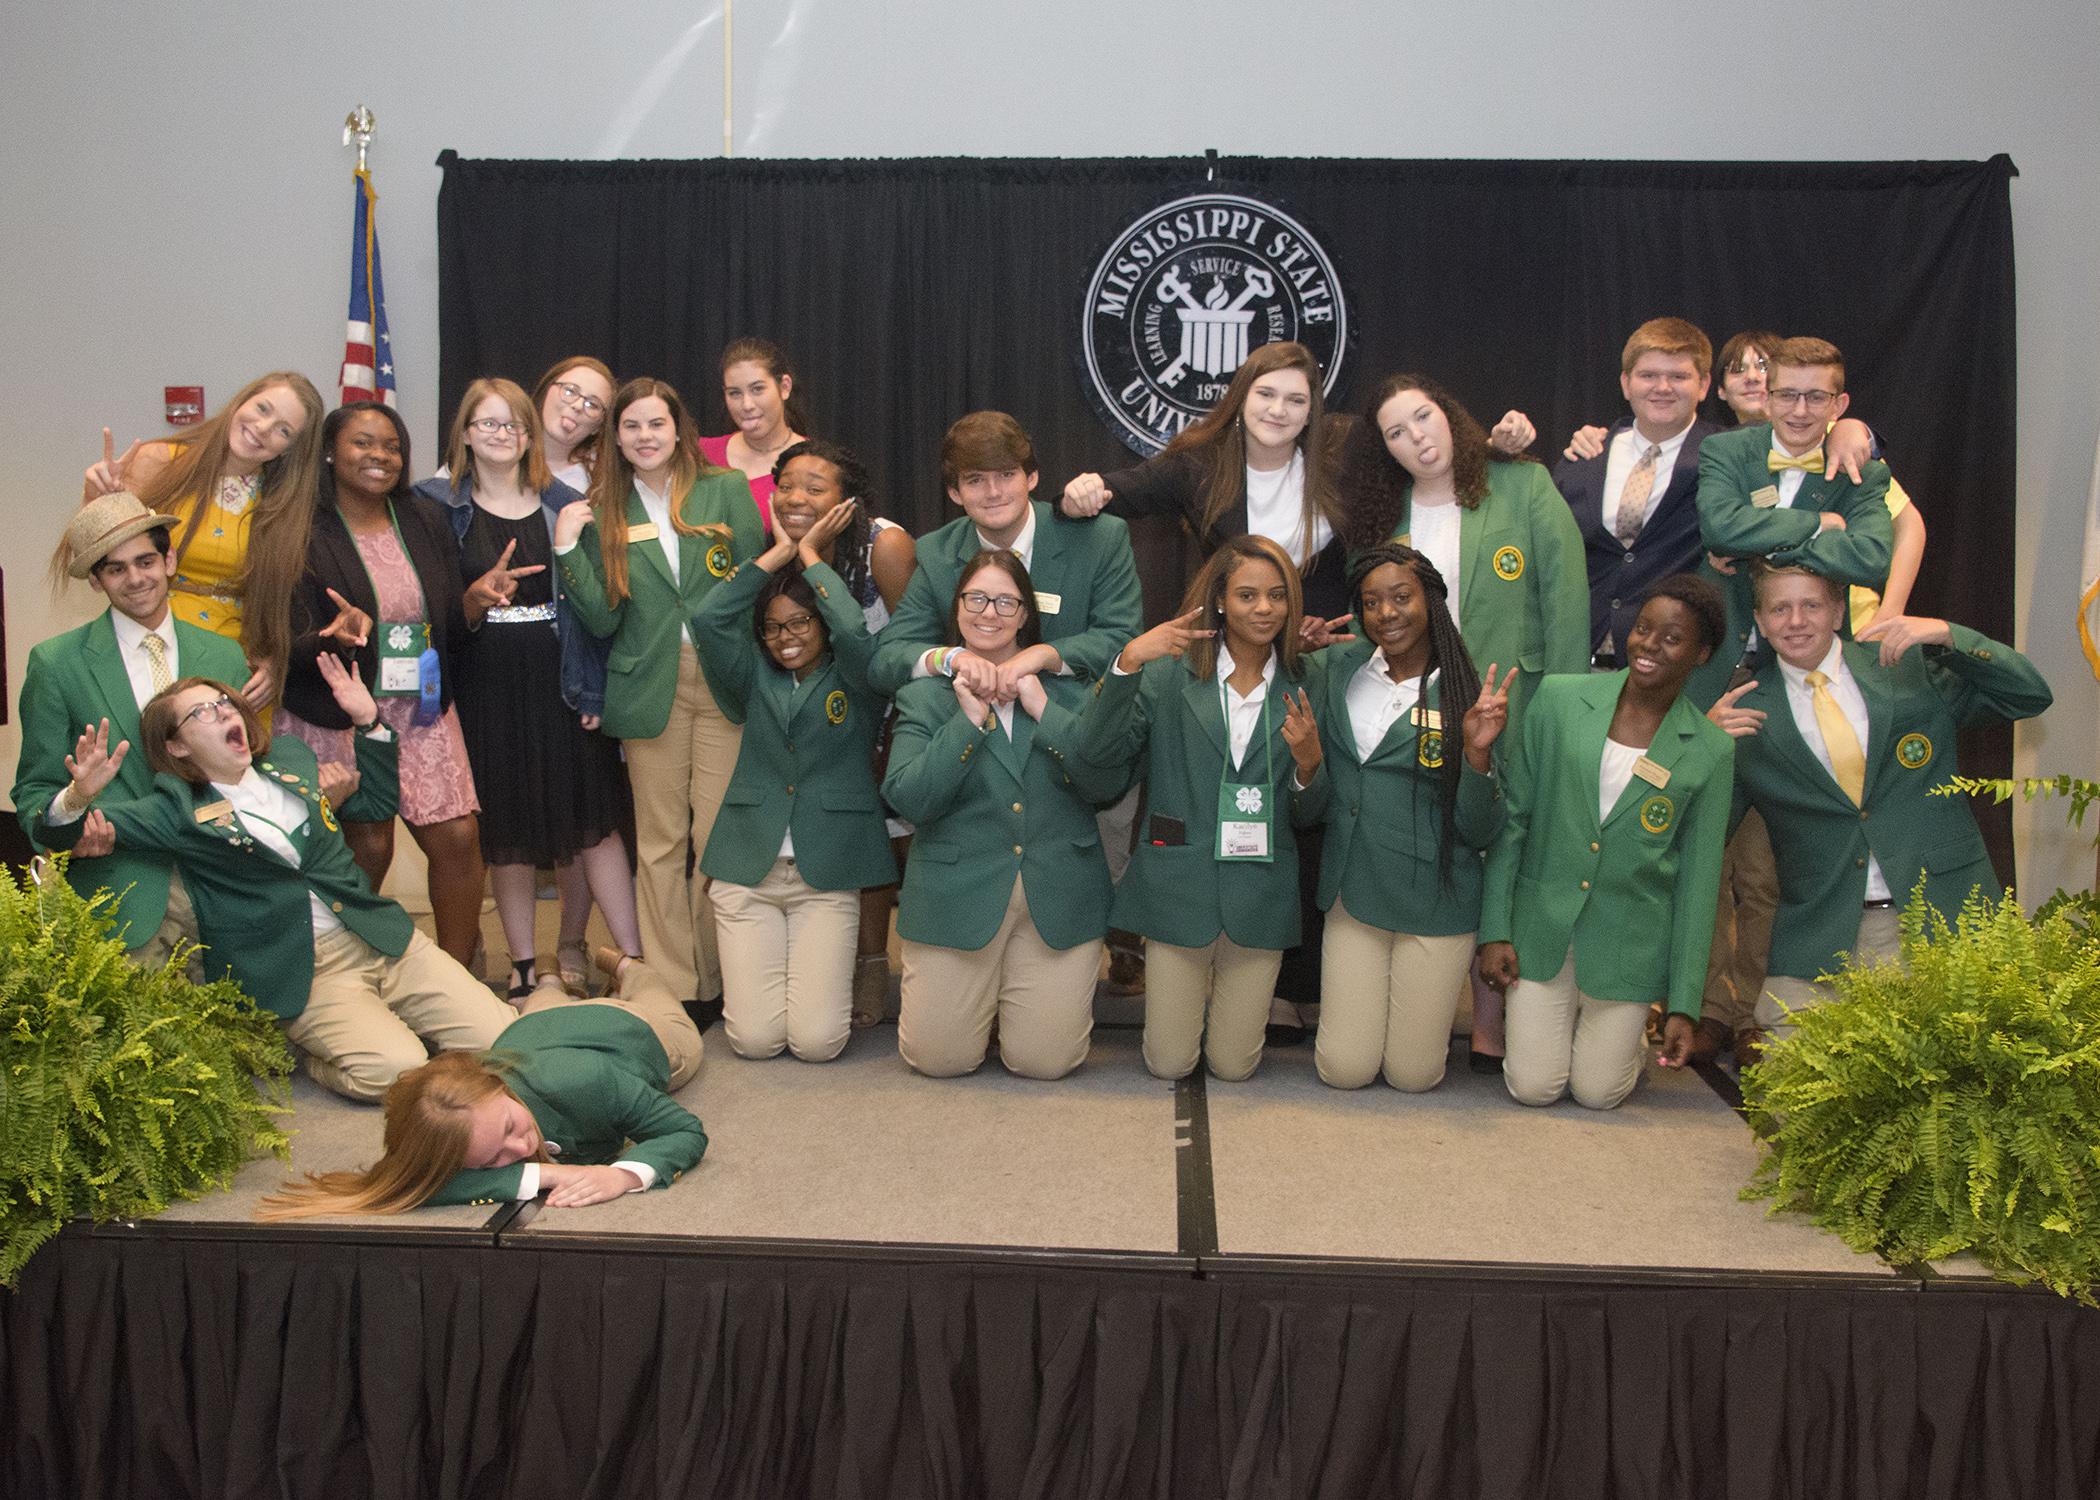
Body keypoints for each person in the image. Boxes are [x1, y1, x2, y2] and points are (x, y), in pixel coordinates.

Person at [39, 665, 514, 1102]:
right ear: (176, 746)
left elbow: (374, 805)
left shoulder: (293, 761)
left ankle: (411, 1024)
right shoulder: (176, 808)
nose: (224, 712)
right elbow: (60, 832)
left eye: (225, 703)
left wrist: (369, 724)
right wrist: (78, 795)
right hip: (308, 973)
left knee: (504, 1043)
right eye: (202, 712)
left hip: (382, 938)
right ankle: (313, 1055)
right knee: (395, 1073)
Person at [1339, 374, 1589, 1070]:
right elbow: (1378, 622)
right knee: (1453, 838)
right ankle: (1442, 1005)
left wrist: (1566, 707)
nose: (1416, 437)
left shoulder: (1523, 486)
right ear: (1384, 449)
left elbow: (1566, 600)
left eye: (1424, 417)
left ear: (1450, 416)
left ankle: (1491, 1021)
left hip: (1522, 701)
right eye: (1396, 431)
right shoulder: (1382, 517)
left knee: (1509, 841)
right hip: (1422, 707)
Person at [1710, 564, 2051, 1051]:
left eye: (1811, 605)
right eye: (1780, 609)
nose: (1796, 621)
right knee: (1795, 1107)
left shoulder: (1904, 669)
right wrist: (1703, 747)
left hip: (1940, 915)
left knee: (1949, 1093)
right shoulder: (1746, 712)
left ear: (1838, 611)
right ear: (1760, 622)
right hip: (1821, 933)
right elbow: (1704, 832)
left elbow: (2029, 694)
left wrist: (1947, 634)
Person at [413, 378, 641, 1000]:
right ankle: (520, 964)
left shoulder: (566, 501)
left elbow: (597, 606)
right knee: (506, 828)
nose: (502, 436)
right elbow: (430, 612)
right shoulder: (435, 509)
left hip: (561, 679)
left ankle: (633, 957)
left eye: (513, 426)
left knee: (594, 820)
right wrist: (474, 598)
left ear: (529, 436)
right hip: (485, 682)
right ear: (463, 434)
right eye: (487, 424)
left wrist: (594, 691)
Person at [1078, 536, 1329, 1081]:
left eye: (1276, 596)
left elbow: (1310, 817)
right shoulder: (1168, 676)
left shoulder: (1310, 681)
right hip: (1178, 887)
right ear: (1218, 600)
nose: (1263, 608)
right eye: (1246, 595)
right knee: (1169, 1063)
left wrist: (1309, 764)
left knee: (1234, 1067)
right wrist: (1126, 663)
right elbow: (1095, 753)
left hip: (1260, 892)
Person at [1478, 576, 1736, 1110]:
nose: (1647, 646)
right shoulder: (1558, 699)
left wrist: (1685, 1003)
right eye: (1643, 629)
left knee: (1597, 1093)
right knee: (1535, 1087)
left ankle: (1625, 1036)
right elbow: (1515, 820)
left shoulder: (1710, 749)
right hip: (1541, 925)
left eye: (1671, 638)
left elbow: (1699, 879)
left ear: (1701, 653)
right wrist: (1496, 929)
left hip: (1629, 944)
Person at [552, 378, 765, 1007]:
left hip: (724, 681)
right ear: (614, 436)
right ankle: (676, 985)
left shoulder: (725, 490)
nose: (645, 437)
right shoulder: (603, 508)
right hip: (649, 687)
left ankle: (724, 978)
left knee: (721, 837)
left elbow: (755, 584)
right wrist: (567, 547)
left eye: (656, 424)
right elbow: (601, 619)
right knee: (662, 843)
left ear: (679, 429)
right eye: (632, 427)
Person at [883, 553, 1131, 1079]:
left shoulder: (1070, 691)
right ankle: (983, 1009)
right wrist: (967, 724)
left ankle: (1008, 1011)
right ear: (957, 609)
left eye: (1005, 601)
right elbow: (909, 799)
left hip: (1059, 897)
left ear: (1025, 615)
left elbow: (1105, 786)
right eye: (975, 598)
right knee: (939, 1060)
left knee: (1045, 1063)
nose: (988, 612)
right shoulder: (925, 696)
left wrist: (1045, 712)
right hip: (956, 897)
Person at [256, 949, 705, 1215]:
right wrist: (549, 1172)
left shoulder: (589, 1082)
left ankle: (628, 966)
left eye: (509, 1127)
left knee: (665, 1009)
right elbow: (416, 1182)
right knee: (543, 1000)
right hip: (536, 1027)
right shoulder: (451, 1113)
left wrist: (623, 1175)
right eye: (493, 1159)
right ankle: (548, 977)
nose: (516, 1147)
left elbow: (684, 1130)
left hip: (629, 1032)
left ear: (496, 1087)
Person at [278, 401, 485, 967]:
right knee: (367, 845)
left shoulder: (425, 518)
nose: (380, 456)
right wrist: (333, 636)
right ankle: (353, 976)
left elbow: (441, 615)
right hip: (339, 711)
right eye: (363, 443)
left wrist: (470, 603)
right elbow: (278, 638)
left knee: (459, 839)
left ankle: (458, 975)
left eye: (391, 446)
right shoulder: (298, 529)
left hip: (420, 707)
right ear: (329, 451)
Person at [691, 505, 897, 1061]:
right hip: (746, 871)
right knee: (755, 1041)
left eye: (801, 622)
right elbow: (709, 618)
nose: (786, 637)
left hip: (826, 875)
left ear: (821, 626)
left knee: (817, 1043)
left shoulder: (858, 677)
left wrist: (810, 556)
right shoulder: (749, 676)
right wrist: (777, 554)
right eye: (774, 626)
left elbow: (855, 625)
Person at [1313, 544, 1516, 1091]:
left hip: (1435, 897)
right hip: (1353, 891)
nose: (1387, 613)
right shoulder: (1337, 669)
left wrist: (1476, 756)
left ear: (1431, 598)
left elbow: (1482, 830)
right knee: (1344, 1069)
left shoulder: (1471, 692)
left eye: (1401, 597)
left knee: (1413, 1075)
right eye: (1372, 602)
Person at [16, 493, 253, 957]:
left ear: (170, 560)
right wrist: (75, 806)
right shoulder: (56, 663)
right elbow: (34, 796)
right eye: (116, 568)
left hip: (224, 889)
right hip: (118, 894)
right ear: (97, 582)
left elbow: (248, 772)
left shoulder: (224, 655)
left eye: (146, 560)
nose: (136, 578)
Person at [762, 438, 917, 1024]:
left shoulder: (886, 544)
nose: (796, 497)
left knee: (882, 838)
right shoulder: (776, 546)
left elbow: (910, 639)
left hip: (884, 707)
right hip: (815, 711)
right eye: (788, 484)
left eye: (815, 487)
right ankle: (832, 963)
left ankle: (875, 966)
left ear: (847, 500)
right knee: (839, 837)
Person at [77, 371, 327, 715]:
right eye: (263, 408)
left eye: (283, 430)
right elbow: (89, 563)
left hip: (236, 668)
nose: (263, 428)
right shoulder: (161, 461)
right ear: (241, 400)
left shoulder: (286, 504)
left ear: (291, 448)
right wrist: (95, 500)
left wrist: (274, 662)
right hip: (148, 645)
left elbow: (288, 600)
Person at [1685, 336, 1895, 711]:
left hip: (1809, 662)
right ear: (1767, 397)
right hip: (1717, 657)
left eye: (1816, 397)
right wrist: (1818, 525)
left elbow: (1871, 558)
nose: (1800, 411)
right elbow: (1719, 528)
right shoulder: (1726, 451)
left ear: (1839, 405)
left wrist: (1754, 546)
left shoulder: (1862, 472)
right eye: (1787, 395)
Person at [868, 411, 1142, 696]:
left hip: (1069, 719)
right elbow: (888, 659)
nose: (994, 492)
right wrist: (951, 658)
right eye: (975, 480)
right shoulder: (937, 552)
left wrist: (1045, 656)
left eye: (1007, 474)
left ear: (1032, 477)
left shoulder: (1100, 538)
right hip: (972, 726)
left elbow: (1122, 639)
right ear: (954, 493)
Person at [1552, 319, 1724, 669]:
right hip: (1581, 657)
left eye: (1678, 377)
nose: (1662, 387)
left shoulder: (1724, 456)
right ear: (1626, 383)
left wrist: (1853, 430)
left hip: (1675, 666)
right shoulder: (1583, 459)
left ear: (1704, 385)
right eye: (1648, 375)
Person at [526, 355, 620, 990]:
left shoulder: (602, 482)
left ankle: (572, 945)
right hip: (501, 663)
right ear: (544, 388)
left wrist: (596, 679)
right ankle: (509, 955)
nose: (578, 407)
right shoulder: (480, 459)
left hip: (575, 662)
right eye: (571, 392)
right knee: (512, 818)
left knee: (581, 818)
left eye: (595, 404)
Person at [699, 337, 809, 536]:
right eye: (735, 393)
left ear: (784, 387)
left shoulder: (816, 463)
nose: (747, 404)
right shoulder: (699, 453)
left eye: (757, 389)